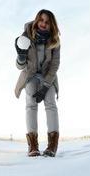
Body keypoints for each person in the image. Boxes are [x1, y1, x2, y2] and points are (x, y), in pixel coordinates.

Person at [14, 9, 61, 157]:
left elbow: (54, 64)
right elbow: (20, 66)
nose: (43, 24)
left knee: (50, 103)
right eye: (41, 20)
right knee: (30, 104)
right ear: (36, 20)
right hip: (31, 75)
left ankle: (52, 146)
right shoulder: (26, 36)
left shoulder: (55, 41)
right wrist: (21, 57)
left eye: (47, 22)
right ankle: (33, 145)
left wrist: (46, 86)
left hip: (48, 76)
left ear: (51, 25)